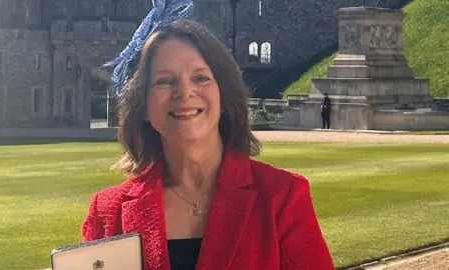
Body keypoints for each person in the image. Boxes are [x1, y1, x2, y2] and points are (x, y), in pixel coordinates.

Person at [81, 0, 335, 269]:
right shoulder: (107, 211)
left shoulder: (281, 197)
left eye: (200, 78)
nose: (184, 92)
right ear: (142, 105)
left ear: (222, 94)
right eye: (164, 81)